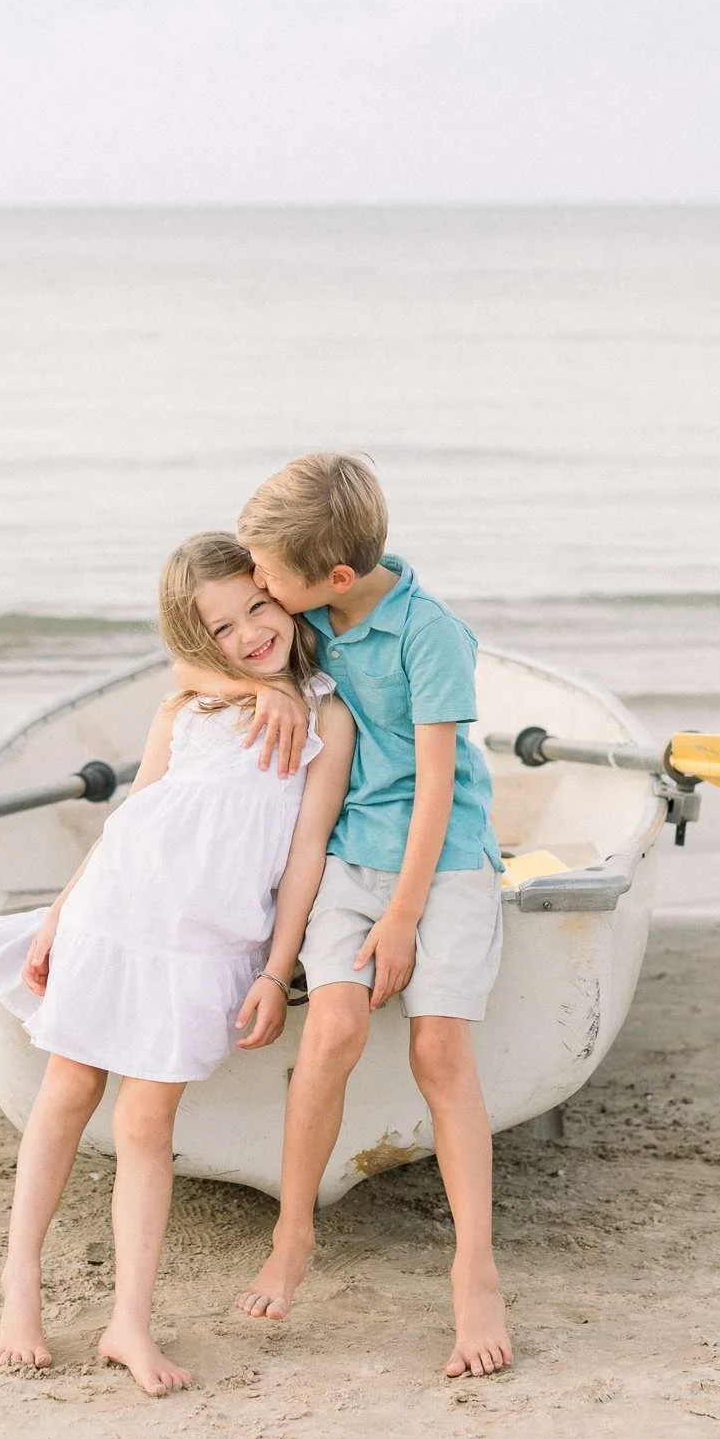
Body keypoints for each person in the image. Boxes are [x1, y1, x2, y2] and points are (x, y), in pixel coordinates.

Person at [0, 532, 354, 1397]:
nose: (252, 632)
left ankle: (127, 1324)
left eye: (259, 607)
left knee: (148, 1127)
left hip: (203, 944)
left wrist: (273, 969)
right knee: (67, 1089)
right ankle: (19, 1283)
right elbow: (132, 820)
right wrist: (62, 913)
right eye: (222, 628)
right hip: (115, 914)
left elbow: (306, 854)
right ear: (195, 639)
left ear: (282, 598)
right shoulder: (185, 708)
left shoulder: (328, 717)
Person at [176, 454, 511, 1378]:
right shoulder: (313, 613)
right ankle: (294, 1235)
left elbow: (439, 787)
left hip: (442, 863)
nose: (258, 590)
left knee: (438, 1047)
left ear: (328, 578)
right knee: (332, 1027)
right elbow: (187, 652)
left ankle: (474, 1269)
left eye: (266, 578)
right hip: (352, 854)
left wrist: (402, 917)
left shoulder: (430, 635)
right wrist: (269, 687)